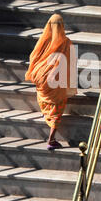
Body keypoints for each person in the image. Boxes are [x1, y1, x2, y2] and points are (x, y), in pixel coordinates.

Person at [25, 14, 77, 150]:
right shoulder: (66, 42)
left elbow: (33, 56)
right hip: (55, 81)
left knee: (47, 101)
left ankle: (46, 115)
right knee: (57, 108)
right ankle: (51, 139)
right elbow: (70, 63)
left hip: (41, 77)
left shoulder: (44, 40)